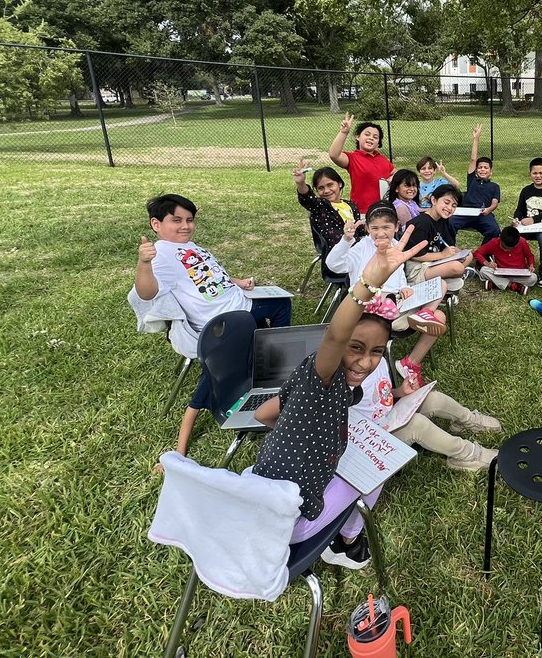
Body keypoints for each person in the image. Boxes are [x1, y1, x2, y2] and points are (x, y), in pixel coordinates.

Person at [252, 229, 428, 570]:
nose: (366, 361)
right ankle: (345, 542)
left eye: (377, 352)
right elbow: (335, 334)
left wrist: (296, 437)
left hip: (263, 497)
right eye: (356, 348)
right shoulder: (322, 379)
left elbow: (262, 414)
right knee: (373, 473)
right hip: (289, 522)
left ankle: (346, 534)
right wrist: (370, 281)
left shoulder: (317, 387)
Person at [131, 194, 292, 463]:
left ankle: (270, 361)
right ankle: (272, 368)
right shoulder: (162, 256)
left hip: (241, 305)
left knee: (279, 305)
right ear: (156, 224)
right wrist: (144, 263)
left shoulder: (191, 247)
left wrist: (238, 282)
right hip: (223, 325)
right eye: (177, 220)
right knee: (227, 366)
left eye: (190, 220)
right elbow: (147, 293)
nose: (185, 226)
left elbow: (213, 273)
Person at [326, 201, 447, 384]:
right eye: (374, 228)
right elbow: (334, 265)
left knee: (440, 301)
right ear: (367, 228)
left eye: (386, 227)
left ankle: (410, 361)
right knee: (436, 315)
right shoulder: (361, 247)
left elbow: (398, 276)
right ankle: (423, 315)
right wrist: (346, 240)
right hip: (371, 307)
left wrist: (404, 287)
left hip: (397, 300)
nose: (380, 233)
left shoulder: (397, 245)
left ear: (397, 226)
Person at [354, 352, 500, 472]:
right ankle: (467, 455)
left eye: (377, 348)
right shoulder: (341, 381)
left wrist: (400, 392)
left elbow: (379, 395)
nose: (367, 361)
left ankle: (467, 420)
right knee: (417, 424)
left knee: (433, 398)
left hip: (388, 415)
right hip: (369, 441)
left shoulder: (378, 361)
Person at [295, 164, 363, 275]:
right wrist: (301, 183)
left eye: (330, 185)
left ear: (339, 184)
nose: (326, 191)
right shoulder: (320, 206)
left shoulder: (351, 205)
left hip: (356, 249)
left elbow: (358, 229)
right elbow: (307, 198)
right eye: (321, 188)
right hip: (337, 255)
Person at [404, 184, 471, 292]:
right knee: (457, 268)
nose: (450, 208)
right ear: (434, 200)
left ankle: (444, 282)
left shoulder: (443, 220)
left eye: (454, 205)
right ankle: (446, 282)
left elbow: (449, 246)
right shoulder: (421, 223)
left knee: (468, 255)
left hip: (435, 262)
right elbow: (414, 256)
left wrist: (456, 255)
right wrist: (443, 255)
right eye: (446, 202)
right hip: (418, 267)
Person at [328, 113, 395, 213]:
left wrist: (393, 178)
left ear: (378, 142)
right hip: (362, 211)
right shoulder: (353, 158)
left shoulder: (382, 159)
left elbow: (396, 173)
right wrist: (344, 132)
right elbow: (334, 155)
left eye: (375, 137)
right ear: (358, 137)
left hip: (385, 209)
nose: (371, 138)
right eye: (367, 134)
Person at [451, 124, 501, 245]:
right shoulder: (472, 179)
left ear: (491, 171)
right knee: (448, 223)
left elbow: (494, 203)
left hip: (483, 214)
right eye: (480, 168)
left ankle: (481, 255)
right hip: (466, 212)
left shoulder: (495, 186)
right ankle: (450, 251)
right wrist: (476, 139)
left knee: (494, 230)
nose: (482, 170)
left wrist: (488, 210)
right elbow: (473, 159)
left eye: (486, 168)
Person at [512, 157, 542, 286]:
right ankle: (515, 265)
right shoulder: (526, 191)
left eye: (541, 173)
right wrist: (517, 219)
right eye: (535, 173)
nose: (538, 176)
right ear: (530, 174)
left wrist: (533, 219)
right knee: (511, 235)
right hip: (526, 224)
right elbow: (520, 210)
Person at [473, 225, 537, 294]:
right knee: (483, 270)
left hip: (519, 273)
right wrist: (487, 263)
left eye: (510, 248)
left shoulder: (522, 242)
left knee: (533, 278)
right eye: (504, 247)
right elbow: (477, 253)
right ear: (500, 238)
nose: (506, 250)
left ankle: (496, 283)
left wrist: (531, 265)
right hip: (500, 272)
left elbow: (530, 256)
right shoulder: (494, 242)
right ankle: (512, 285)